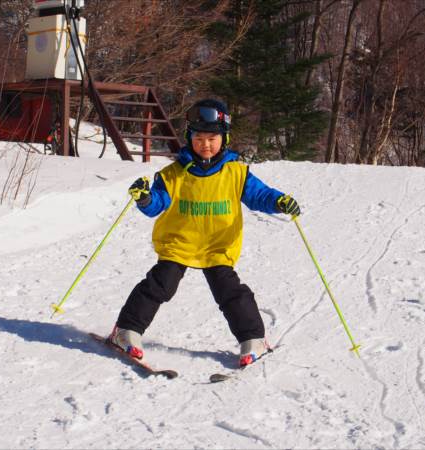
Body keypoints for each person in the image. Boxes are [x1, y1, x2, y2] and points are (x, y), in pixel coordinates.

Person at [109, 99, 301, 367]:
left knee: (230, 292)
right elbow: (156, 205)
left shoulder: (237, 173)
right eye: (199, 137)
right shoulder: (173, 174)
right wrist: (144, 198)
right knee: (160, 285)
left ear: (225, 139)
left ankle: (254, 338)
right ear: (189, 138)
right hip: (180, 243)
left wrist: (279, 201)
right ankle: (126, 331)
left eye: (213, 138)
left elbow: (260, 195)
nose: (206, 144)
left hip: (217, 246)